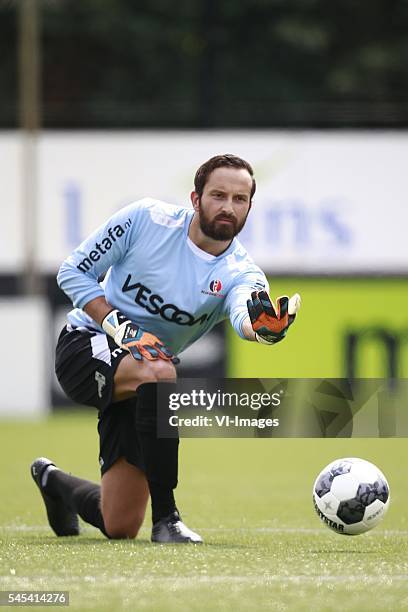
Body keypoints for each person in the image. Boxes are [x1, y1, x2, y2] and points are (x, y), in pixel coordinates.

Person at [31, 154, 300, 543]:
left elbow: (246, 312)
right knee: (160, 371)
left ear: (249, 207)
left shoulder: (242, 273)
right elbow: (71, 272)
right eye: (218, 195)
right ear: (195, 198)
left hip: (140, 383)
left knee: (119, 524)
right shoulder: (145, 220)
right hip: (84, 345)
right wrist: (121, 328)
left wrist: (262, 330)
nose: (228, 207)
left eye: (239, 199)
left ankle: (53, 481)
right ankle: (168, 520)